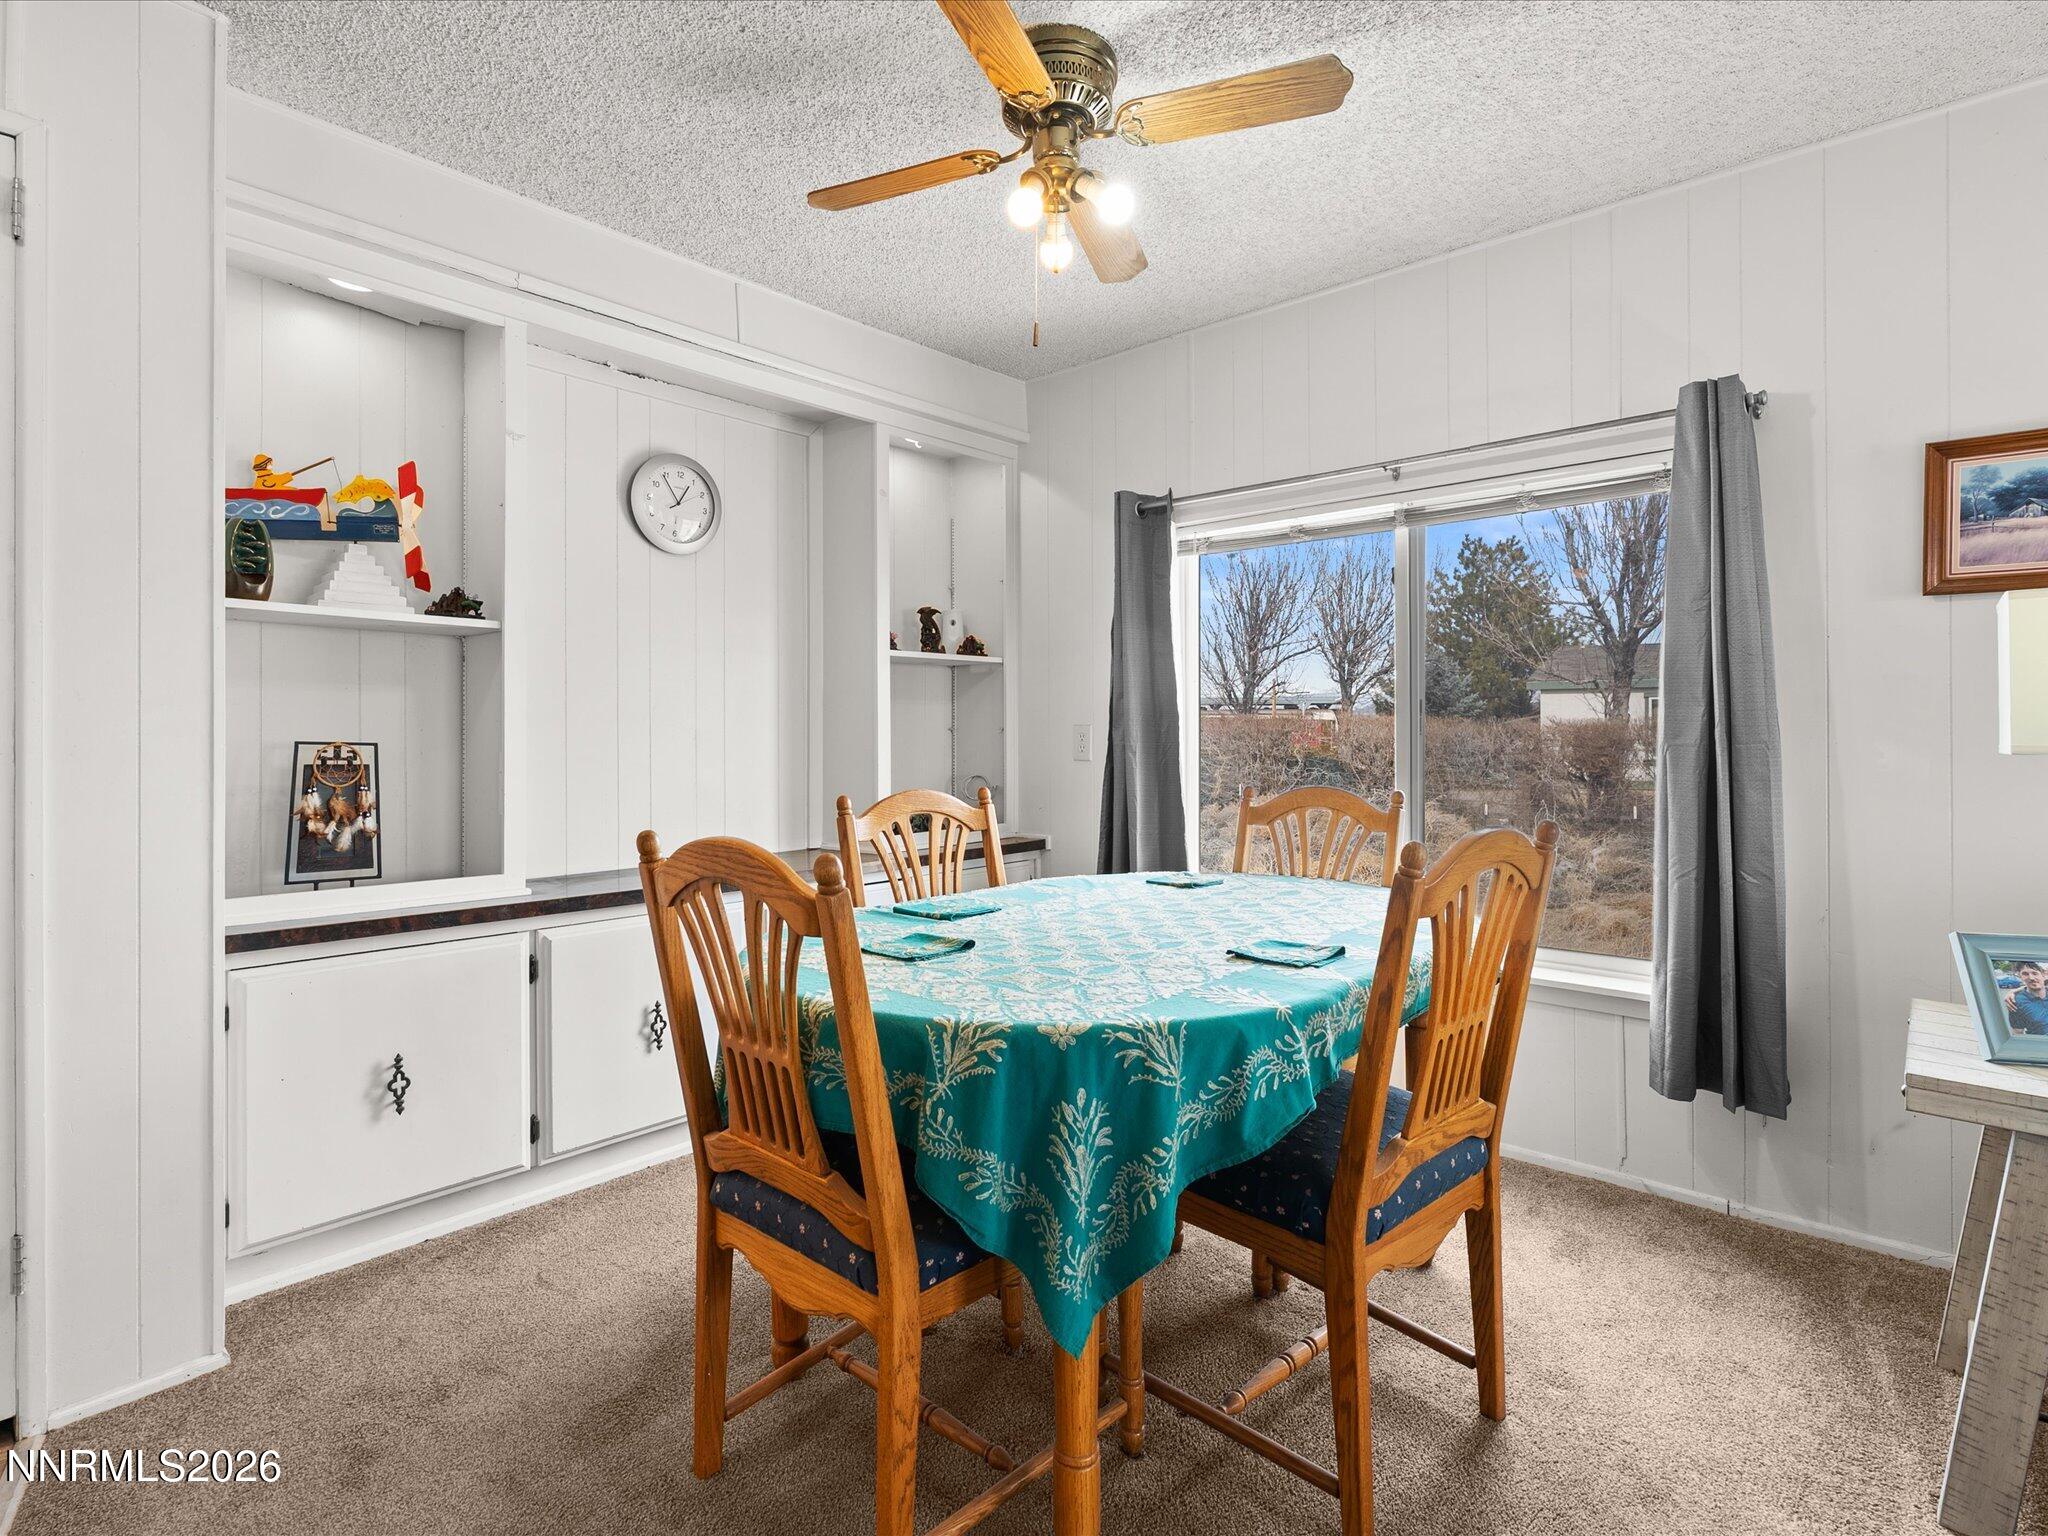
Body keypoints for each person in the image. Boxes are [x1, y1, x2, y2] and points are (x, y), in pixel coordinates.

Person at [2003, 959, 2048, 1035]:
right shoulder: (2016, 1002)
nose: (2031, 977)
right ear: (2020, 977)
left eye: (2035, 973)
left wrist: (2013, 991)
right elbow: (2017, 1032)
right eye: (2025, 974)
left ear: (2043, 975)